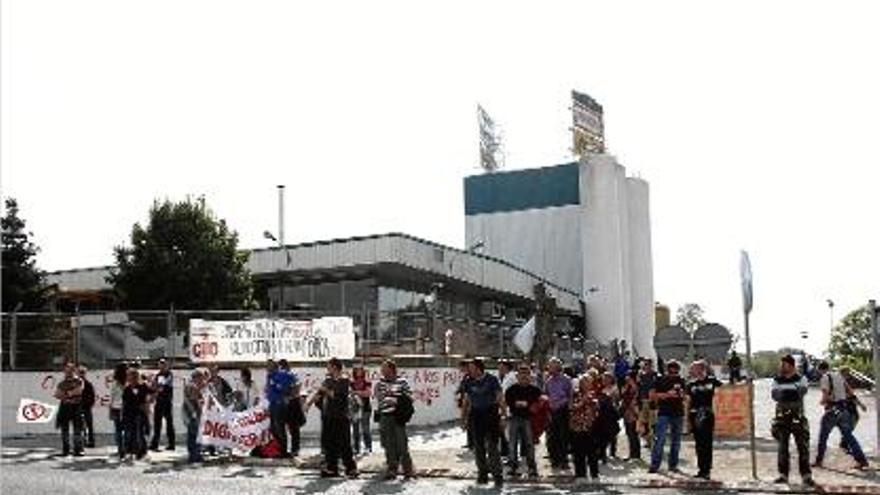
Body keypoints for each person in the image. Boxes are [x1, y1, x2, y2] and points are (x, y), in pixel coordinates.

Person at [307, 357, 358, 478]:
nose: (327, 368)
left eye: (329, 366)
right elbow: (319, 393)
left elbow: (339, 397)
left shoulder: (344, 381)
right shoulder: (328, 380)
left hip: (341, 416)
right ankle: (331, 468)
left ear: (335, 367)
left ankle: (351, 468)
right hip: (328, 415)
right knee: (329, 443)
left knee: (344, 442)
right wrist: (308, 404)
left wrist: (327, 390)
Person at [812, 361, 869, 469]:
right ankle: (862, 460)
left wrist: (822, 401)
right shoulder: (839, 376)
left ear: (820, 369)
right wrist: (860, 405)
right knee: (849, 436)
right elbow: (851, 392)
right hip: (843, 410)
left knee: (823, 436)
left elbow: (825, 396)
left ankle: (819, 461)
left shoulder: (825, 377)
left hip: (832, 410)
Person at [771, 354, 814, 486]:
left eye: (784, 364)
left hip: (798, 417)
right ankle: (783, 475)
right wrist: (791, 392)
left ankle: (806, 476)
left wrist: (785, 393)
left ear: (791, 365)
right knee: (782, 447)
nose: (781, 367)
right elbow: (775, 395)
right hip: (782, 418)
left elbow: (801, 392)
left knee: (803, 447)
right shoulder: (777, 379)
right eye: (781, 364)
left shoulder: (802, 378)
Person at [461, 358, 504, 487]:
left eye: (471, 368)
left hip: (490, 414)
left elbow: (499, 397)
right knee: (478, 447)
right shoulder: (468, 381)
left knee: (492, 446)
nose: (469, 370)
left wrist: (503, 415)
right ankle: (482, 473)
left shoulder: (491, 380)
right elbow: (466, 400)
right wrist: (463, 418)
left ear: (479, 368)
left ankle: (497, 474)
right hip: (476, 415)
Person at [374, 359, 415, 480]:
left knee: (402, 444)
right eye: (382, 369)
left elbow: (409, 398)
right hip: (384, 416)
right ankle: (392, 468)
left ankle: (408, 469)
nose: (382, 371)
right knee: (388, 444)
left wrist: (396, 400)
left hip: (398, 416)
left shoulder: (402, 382)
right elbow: (378, 397)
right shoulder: (380, 383)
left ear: (391, 369)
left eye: (384, 368)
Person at [686, 360, 722, 479]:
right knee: (699, 444)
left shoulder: (712, 381)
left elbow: (726, 391)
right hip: (694, 415)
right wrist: (688, 420)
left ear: (701, 369)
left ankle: (707, 470)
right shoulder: (691, 384)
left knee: (707, 443)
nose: (692, 371)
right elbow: (688, 402)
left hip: (707, 415)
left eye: (694, 368)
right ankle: (701, 469)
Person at [648, 360, 686, 474]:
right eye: (671, 368)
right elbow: (652, 395)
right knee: (660, 439)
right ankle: (655, 465)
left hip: (678, 412)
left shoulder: (681, 380)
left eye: (675, 369)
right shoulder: (660, 380)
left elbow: (685, 396)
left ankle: (673, 465)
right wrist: (667, 394)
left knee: (676, 441)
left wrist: (680, 394)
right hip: (664, 412)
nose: (673, 371)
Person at [504, 363, 541, 478]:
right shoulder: (511, 389)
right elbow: (510, 403)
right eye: (521, 374)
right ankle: (513, 466)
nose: (524, 376)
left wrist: (523, 404)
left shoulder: (535, 390)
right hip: (514, 418)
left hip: (529, 419)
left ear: (530, 375)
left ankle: (532, 468)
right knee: (512, 443)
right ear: (517, 376)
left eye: (526, 374)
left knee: (529, 444)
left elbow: (537, 403)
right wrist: (523, 404)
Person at [569, 370, 602, 482]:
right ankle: (580, 474)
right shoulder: (575, 393)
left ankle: (594, 474)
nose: (585, 384)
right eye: (583, 382)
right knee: (579, 452)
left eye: (588, 382)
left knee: (592, 453)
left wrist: (595, 404)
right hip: (578, 426)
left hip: (591, 426)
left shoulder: (593, 394)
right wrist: (583, 401)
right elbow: (572, 407)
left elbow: (597, 410)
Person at [544, 357, 573, 471]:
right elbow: (546, 394)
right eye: (549, 366)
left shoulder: (566, 379)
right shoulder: (548, 380)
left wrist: (569, 408)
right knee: (552, 436)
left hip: (563, 409)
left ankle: (564, 460)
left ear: (558, 367)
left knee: (563, 436)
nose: (549, 368)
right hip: (552, 410)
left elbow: (570, 395)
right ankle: (554, 459)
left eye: (551, 366)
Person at [54, 361, 85, 457]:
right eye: (67, 370)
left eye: (70, 370)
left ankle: (77, 449)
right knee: (65, 430)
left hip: (76, 406)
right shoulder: (62, 383)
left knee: (77, 429)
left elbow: (78, 391)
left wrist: (66, 394)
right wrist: (69, 394)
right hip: (65, 407)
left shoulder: (78, 381)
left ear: (74, 370)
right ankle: (66, 449)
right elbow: (57, 394)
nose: (68, 372)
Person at [265, 359, 293, 457]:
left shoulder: (281, 375)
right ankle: (278, 449)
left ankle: (284, 450)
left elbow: (286, 389)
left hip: (279, 404)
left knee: (279, 427)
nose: (267, 368)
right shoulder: (269, 376)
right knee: (273, 428)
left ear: (274, 367)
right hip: (272, 404)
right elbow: (268, 391)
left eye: (269, 366)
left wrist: (276, 385)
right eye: (267, 366)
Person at [122, 367, 150, 461]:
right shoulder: (127, 388)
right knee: (129, 433)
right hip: (129, 413)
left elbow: (149, 395)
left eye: (132, 376)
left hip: (140, 413)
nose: (130, 379)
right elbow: (125, 402)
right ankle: (129, 452)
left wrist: (146, 406)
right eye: (129, 376)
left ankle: (142, 452)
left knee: (140, 433)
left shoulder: (143, 386)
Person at [149, 359, 175, 451]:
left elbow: (162, 386)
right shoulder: (157, 375)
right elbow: (154, 387)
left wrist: (156, 387)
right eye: (160, 364)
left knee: (169, 424)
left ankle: (172, 443)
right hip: (159, 401)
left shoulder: (169, 375)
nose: (162, 366)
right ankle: (154, 444)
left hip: (167, 401)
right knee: (157, 424)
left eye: (164, 364)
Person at [279, 360, 303, 456]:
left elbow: (297, 387)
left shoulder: (292, 375)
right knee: (286, 428)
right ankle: (288, 449)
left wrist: (289, 396)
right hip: (285, 403)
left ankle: (295, 449)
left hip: (292, 404)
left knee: (293, 428)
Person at [182, 368, 206, 463]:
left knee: (193, 434)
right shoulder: (192, 386)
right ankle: (194, 455)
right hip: (193, 412)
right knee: (194, 434)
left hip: (192, 412)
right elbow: (193, 398)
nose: (202, 380)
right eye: (201, 377)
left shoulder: (191, 385)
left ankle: (194, 454)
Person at [350, 364, 373, 456]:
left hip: (365, 407)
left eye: (360, 370)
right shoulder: (351, 382)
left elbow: (368, 393)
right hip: (354, 408)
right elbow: (350, 393)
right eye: (357, 370)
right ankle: (356, 448)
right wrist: (358, 393)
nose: (358, 371)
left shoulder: (366, 381)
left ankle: (368, 447)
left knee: (365, 428)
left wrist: (356, 392)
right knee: (355, 429)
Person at [599, 371, 621, 461]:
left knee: (612, 432)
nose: (605, 380)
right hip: (603, 413)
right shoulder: (601, 389)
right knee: (603, 433)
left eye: (607, 378)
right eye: (603, 378)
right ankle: (603, 452)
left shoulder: (614, 388)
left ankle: (613, 451)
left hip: (612, 413)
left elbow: (616, 400)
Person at [637, 358, 659, 448]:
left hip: (652, 401)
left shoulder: (655, 375)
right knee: (644, 422)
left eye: (648, 364)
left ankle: (652, 439)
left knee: (652, 422)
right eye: (645, 364)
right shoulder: (640, 375)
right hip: (642, 400)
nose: (646, 366)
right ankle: (647, 439)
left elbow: (658, 388)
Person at [620, 370, 641, 461]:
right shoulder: (626, 387)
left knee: (633, 433)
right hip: (626, 411)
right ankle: (632, 453)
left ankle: (635, 453)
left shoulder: (636, 388)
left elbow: (636, 399)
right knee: (629, 432)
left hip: (633, 411)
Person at [108, 363, 127, 459]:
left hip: (116, 407)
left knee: (118, 430)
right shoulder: (128, 382)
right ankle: (127, 448)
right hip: (126, 408)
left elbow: (112, 397)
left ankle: (121, 450)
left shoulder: (115, 383)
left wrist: (110, 409)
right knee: (127, 429)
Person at [456, 359, 474, 450]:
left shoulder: (471, 376)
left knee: (471, 423)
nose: (460, 369)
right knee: (468, 422)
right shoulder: (466, 376)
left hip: (470, 403)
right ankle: (470, 442)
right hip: (465, 401)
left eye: (461, 367)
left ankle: (473, 443)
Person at [79, 365, 97, 448]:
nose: (81, 374)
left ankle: (90, 441)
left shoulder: (88, 384)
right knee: (80, 426)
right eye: (80, 373)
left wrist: (89, 404)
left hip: (86, 407)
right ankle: (82, 441)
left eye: (82, 373)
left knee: (89, 425)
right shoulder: (76, 384)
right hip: (78, 407)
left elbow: (92, 396)